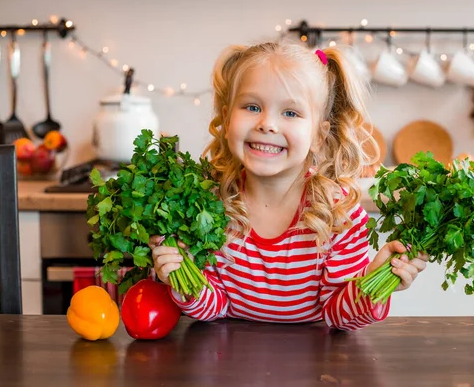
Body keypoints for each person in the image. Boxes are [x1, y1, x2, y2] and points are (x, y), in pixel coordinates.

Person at [149, 41, 428, 331]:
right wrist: (181, 279)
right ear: (228, 116)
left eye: (291, 113)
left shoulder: (338, 215)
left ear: (319, 135)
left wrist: (374, 280)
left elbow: (338, 316)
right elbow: (217, 305)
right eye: (252, 106)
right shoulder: (208, 206)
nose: (267, 124)